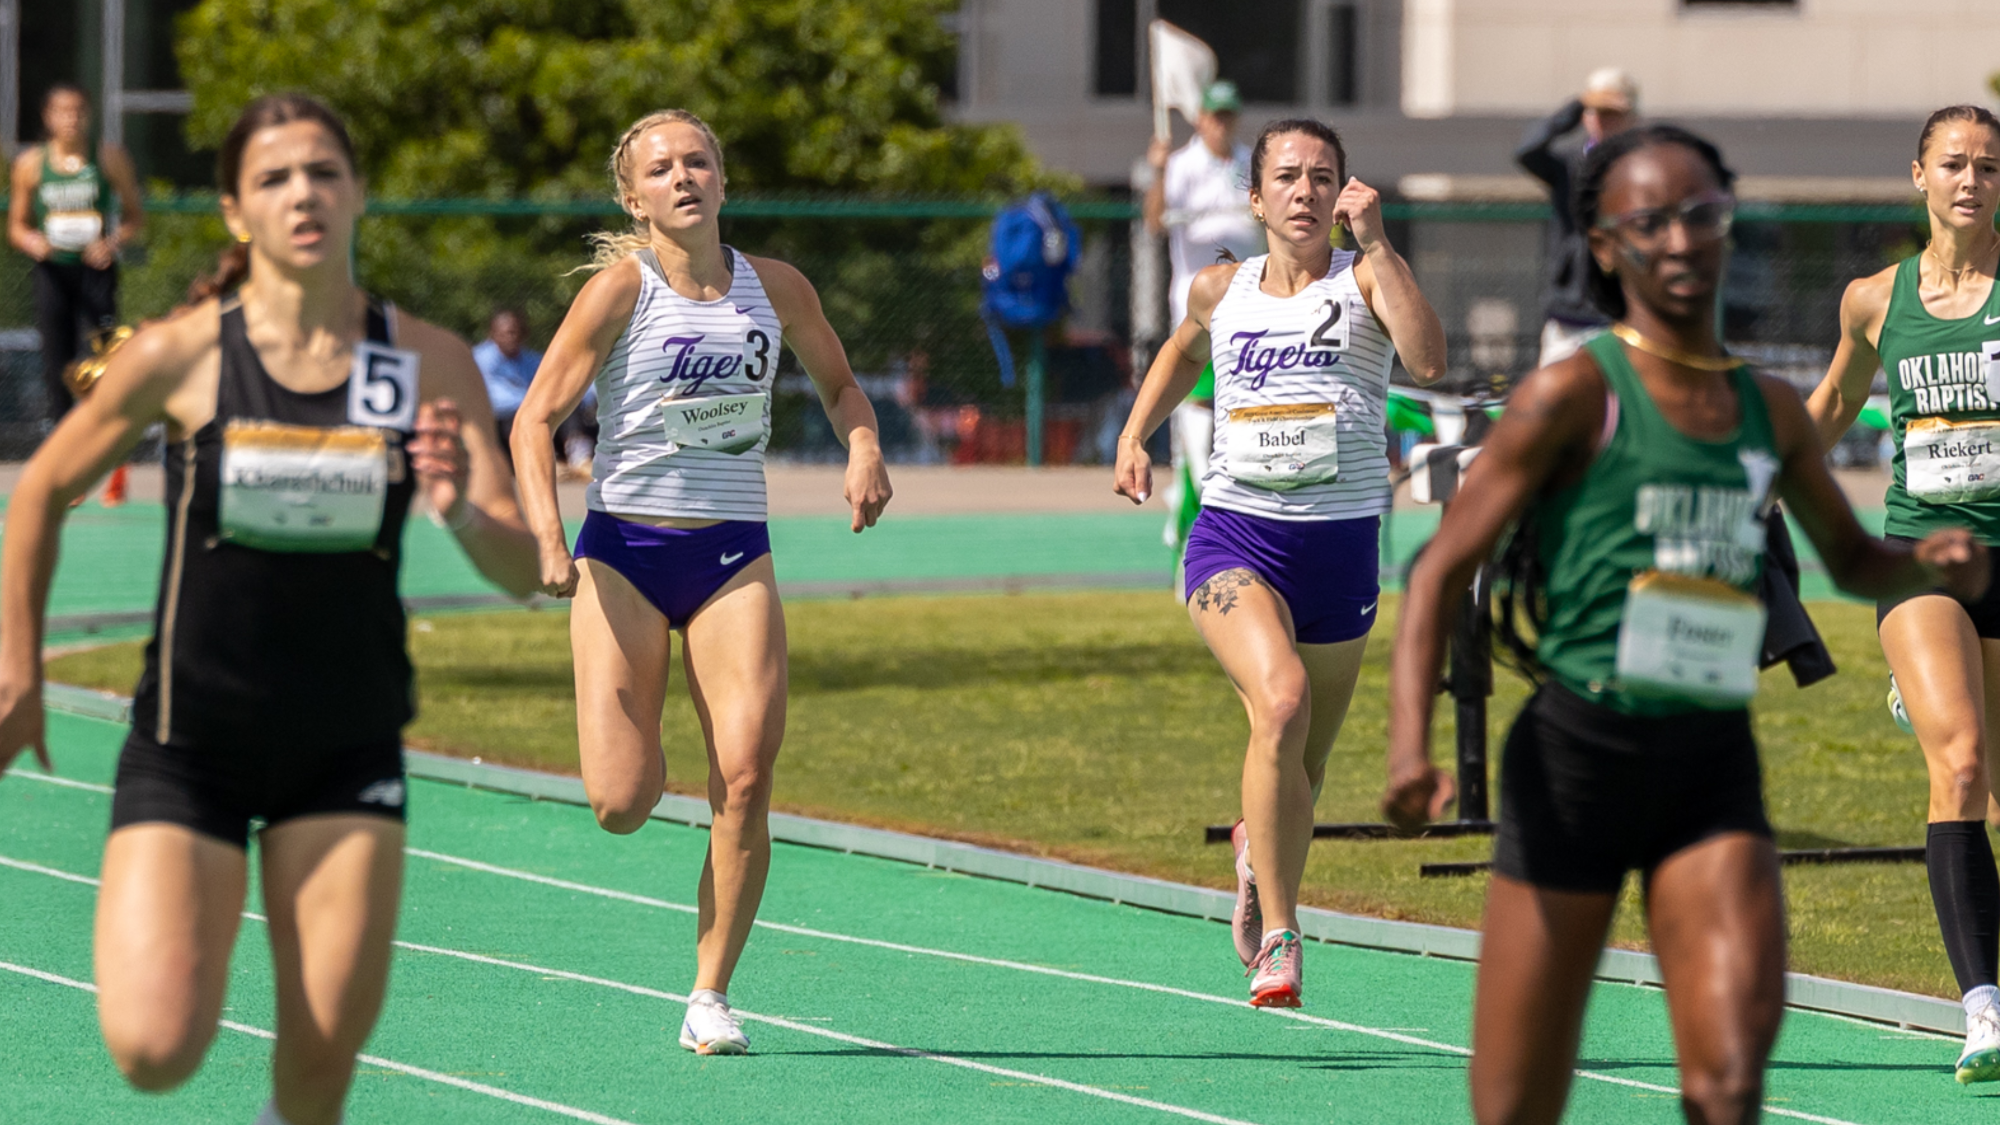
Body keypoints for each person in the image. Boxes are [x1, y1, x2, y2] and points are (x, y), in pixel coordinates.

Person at [1385, 124, 1989, 1124]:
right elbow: (1440, 567)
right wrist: (1410, 743)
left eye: (1700, 215)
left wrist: (1928, 562)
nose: (1678, 240)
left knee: (1723, 1084)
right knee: (1516, 1099)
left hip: (1709, 766)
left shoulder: (1765, 409)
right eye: (1646, 221)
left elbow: (1847, 559)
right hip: (1575, 763)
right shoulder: (1569, 396)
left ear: (1726, 230)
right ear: (1604, 243)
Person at [0, 94, 538, 1125]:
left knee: (315, 1077)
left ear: (357, 195)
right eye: (276, 178)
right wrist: (20, 672)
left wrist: (461, 510)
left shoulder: (426, 360)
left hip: (346, 749)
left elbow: (521, 569)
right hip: (190, 743)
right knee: (154, 1049)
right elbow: (36, 495)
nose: (304, 194)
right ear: (236, 214)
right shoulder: (183, 353)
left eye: (324, 173)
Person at [511, 109, 892, 1055]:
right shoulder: (619, 292)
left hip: (732, 555)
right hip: (624, 558)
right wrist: (551, 544)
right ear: (633, 198)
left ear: (723, 179)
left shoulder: (777, 288)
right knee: (622, 802)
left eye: (698, 161)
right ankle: (640, 729)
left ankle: (710, 994)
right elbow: (532, 421)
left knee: (749, 773)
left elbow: (842, 384)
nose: (683, 177)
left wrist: (863, 443)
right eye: (661, 168)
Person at [1115, 118, 1447, 1007]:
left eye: (1323, 176)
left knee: (1304, 765)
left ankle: (1256, 853)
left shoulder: (1366, 277)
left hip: (1340, 550)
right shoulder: (1221, 289)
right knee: (1283, 699)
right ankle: (1284, 935)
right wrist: (1134, 433)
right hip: (1235, 536)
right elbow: (1180, 355)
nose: (1305, 191)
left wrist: (1378, 241)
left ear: (1344, 194)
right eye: (1288, 177)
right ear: (1254, 197)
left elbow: (1428, 357)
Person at [1804, 104, 2000, 1084]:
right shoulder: (1872, 300)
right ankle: (1981, 1013)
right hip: (1922, 556)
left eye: (1988, 166)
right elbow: (1835, 402)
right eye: (1953, 164)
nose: (1970, 180)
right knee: (1957, 764)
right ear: (1917, 175)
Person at [1144, 81, 1265, 563]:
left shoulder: (1248, 161)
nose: (1223, 123)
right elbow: (1154, 221)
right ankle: (1192, 492)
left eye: (1229, 114)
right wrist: (1156, 173)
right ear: (1200, 118)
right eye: (1215, 115)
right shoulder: (1182, 164)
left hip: (1251, 295)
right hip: (1196, 303)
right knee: (1193, 400)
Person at [8, 83, 144, 424]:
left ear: (89, 115)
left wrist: (110, 243)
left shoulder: (108, 158)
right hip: (53, 270)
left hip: (95, 270)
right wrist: (33, 242)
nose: (72, 119)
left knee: (102, 353)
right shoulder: (31, 164)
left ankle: (103, 428)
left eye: (78, 111)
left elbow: (134, 218)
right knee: (57, 359)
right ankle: (59, 432)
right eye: (63, 112)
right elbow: (16, 227)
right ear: (48, 117)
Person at [1515, 68, 1638, 368]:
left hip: (1620, 314)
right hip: (1568, 313)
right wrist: (1573, 108)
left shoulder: (1641, 169)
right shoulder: (1570, 164)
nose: (1602, 120)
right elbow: (1527, 150)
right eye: (1595, 111)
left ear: (1630, 116)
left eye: (1612, 112)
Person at [473, 307, 595, 475]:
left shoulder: (532, 360)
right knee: (519, 418)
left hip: (533, 411)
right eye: (505, 333)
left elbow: (555, 384)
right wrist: (533, 401)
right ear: (492, 334)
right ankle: (541, 465)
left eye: (515, 332)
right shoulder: (480, 359)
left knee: (568, 408)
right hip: (500, 421)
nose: (511, 337)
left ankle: (579, 459)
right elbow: (494, 400)